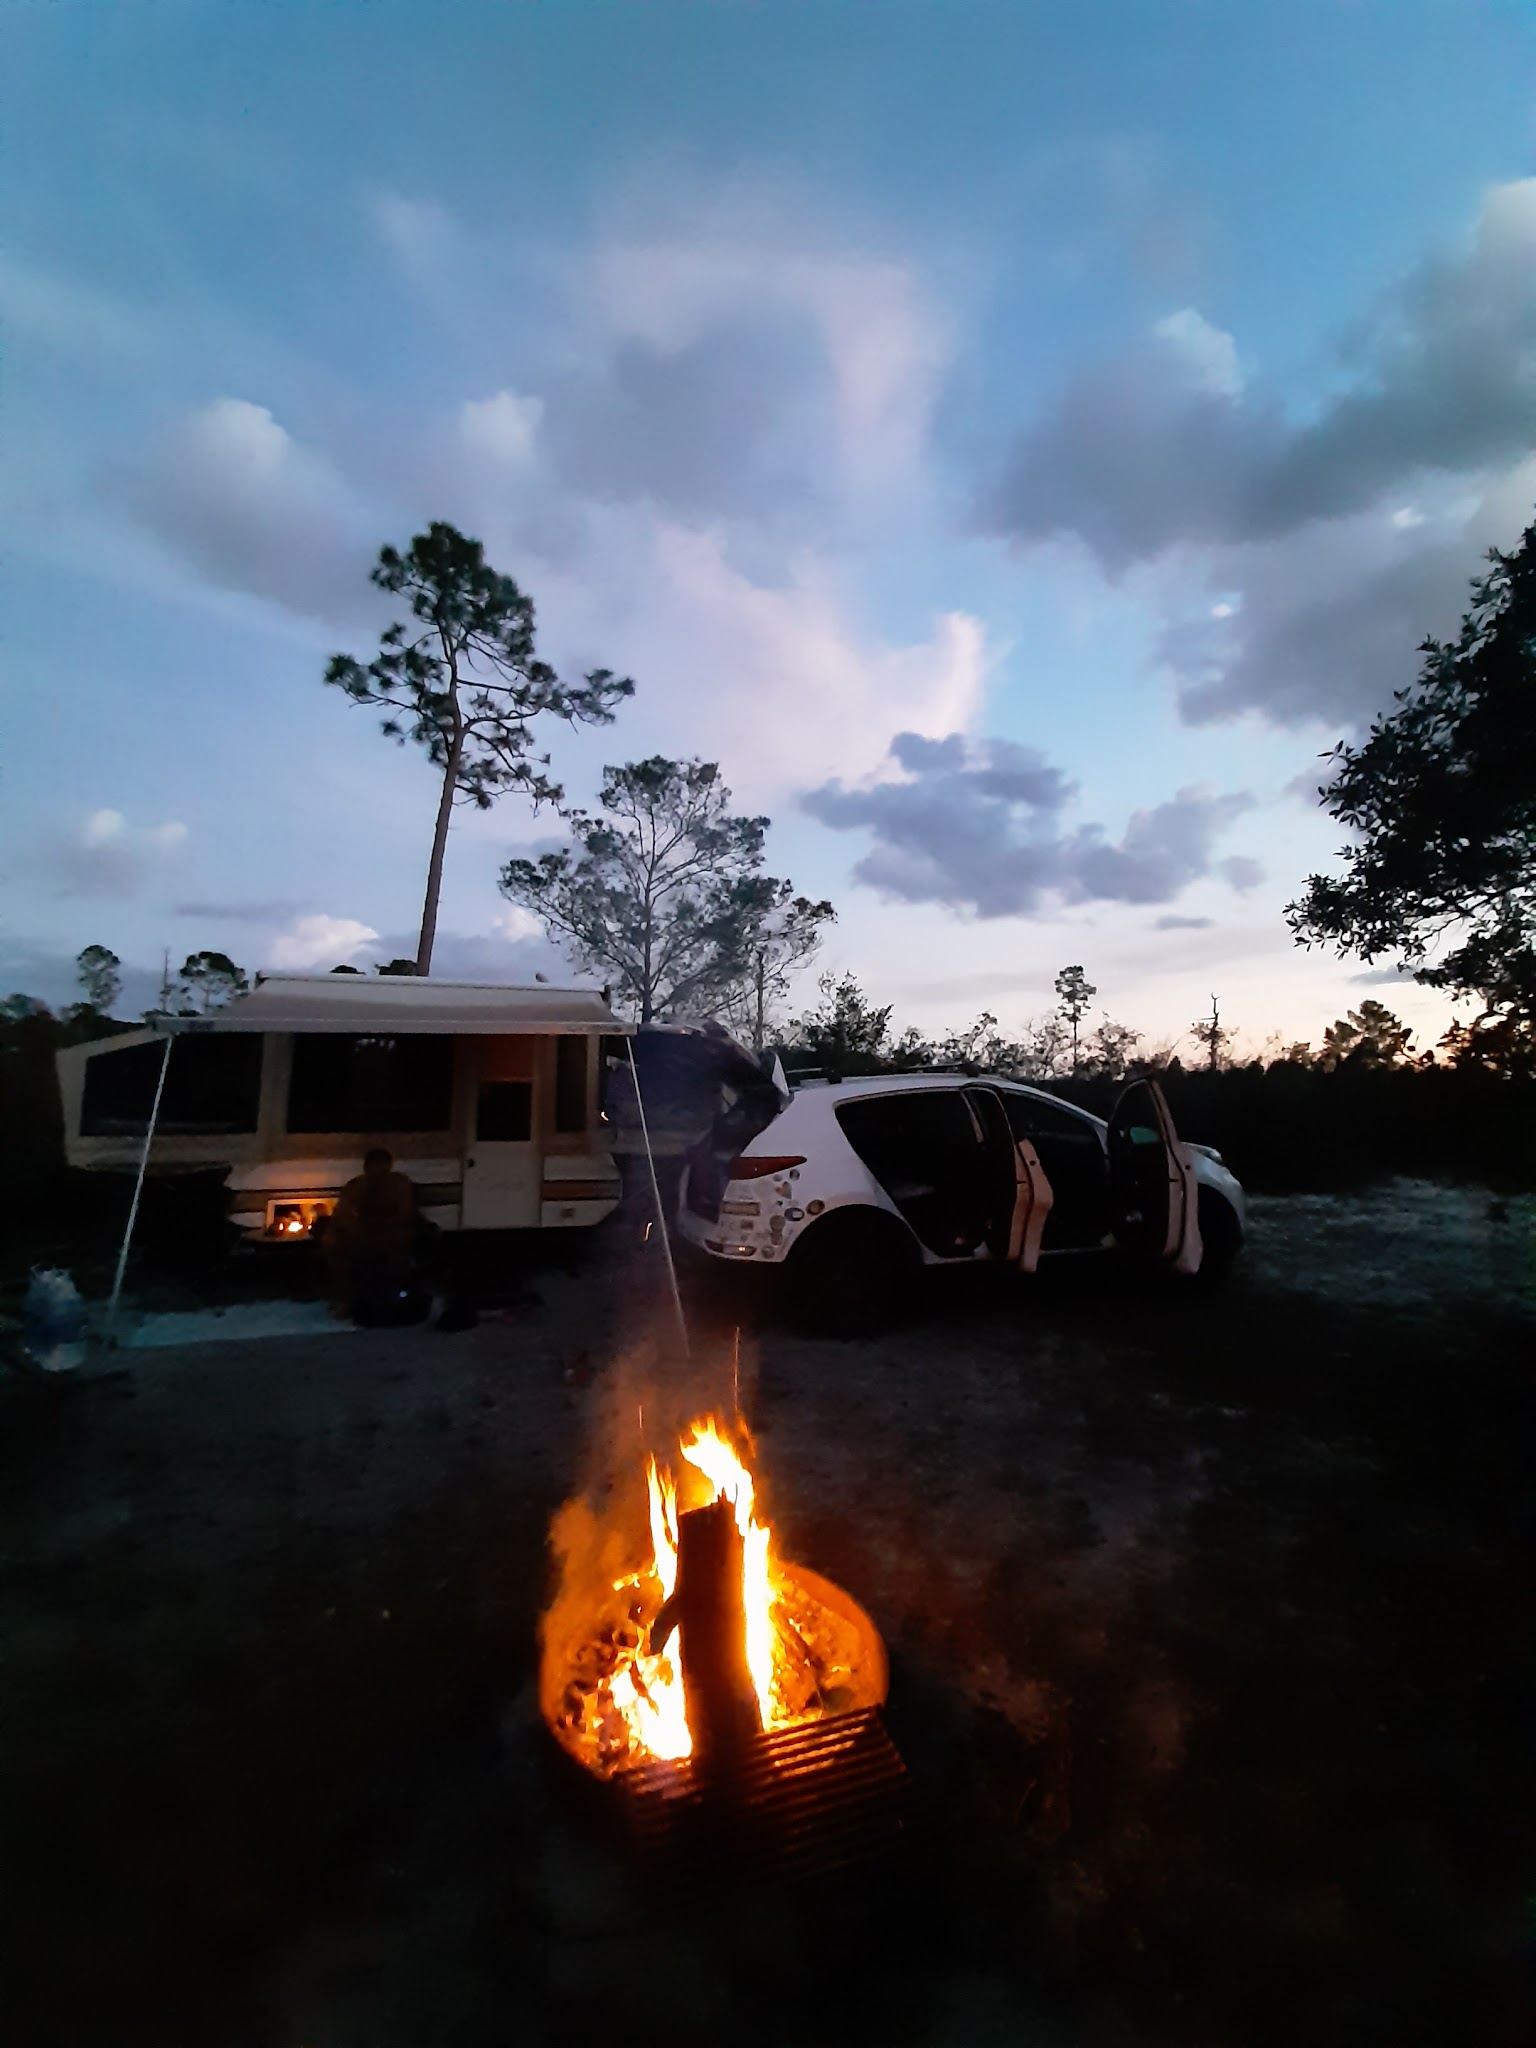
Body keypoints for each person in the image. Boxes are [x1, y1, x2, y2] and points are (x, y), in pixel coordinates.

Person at [324, 1147, 418, 1318]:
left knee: (401, 1242)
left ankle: (391, 1295)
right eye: (373, 1167)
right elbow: (341, 1214)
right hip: (364, 1232)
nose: (378, 1173)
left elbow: (405, 1214)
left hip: (392, 1232)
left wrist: (383, 1224)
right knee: (333, 1244)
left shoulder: (400, 1184)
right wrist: (343, 1229)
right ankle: (345, 1297)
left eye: (382, 1167)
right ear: (366, 1168)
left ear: (389, 1167)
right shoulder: (356, 1186)